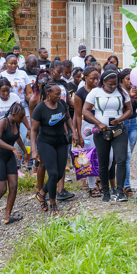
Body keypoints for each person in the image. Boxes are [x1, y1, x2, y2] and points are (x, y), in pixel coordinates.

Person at [83, 69, 132, 202]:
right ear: (103, 81)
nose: (113, 87)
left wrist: (120, 119)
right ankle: (105, 192)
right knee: (103, 163)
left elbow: (129, 109)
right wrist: (98, 123)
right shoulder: (95, 92)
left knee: (121, 160)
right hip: (101, 131)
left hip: (119, 130)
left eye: (115, 84)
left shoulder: (122, 91)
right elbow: (85, 110)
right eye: (110, 84)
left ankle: (120, 191)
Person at [32, 82, 80, 215]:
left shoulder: (62, 104)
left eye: (61, 93)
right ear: (48, 94)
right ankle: (53, 202)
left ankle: (41, 193)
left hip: (61, 142)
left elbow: (68, 119)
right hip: (45, 143)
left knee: (59, 174)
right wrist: (34, 150)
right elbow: (34, 130)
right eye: (57, 94)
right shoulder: (40, 108)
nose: (60, 96)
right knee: (53, 173)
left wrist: (74, 132)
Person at [0, 102, 28, 225]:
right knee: (2, 188)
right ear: (13, 114)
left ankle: (7, 216)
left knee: (13, 186)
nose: (22, 119)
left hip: (9, 158)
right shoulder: (3, 122)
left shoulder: (16, 123)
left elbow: (17, 137)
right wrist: (13, 149)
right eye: (21, 117)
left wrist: (25, 151)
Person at [0, 78, 29, 187]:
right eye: (3, 91)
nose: (5, 93)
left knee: (18, 148)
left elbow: (21, 115)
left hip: (13, 130)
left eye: (7, 90)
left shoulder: (15, 98)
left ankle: (16, 169)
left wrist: (29, 128)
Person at [120, 68, 137, 196]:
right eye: (127, 79)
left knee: (127, 156)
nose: (130, 82)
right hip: (123, 124)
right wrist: (129, 97)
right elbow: (123, 109)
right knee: (127, 155)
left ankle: (123, 180)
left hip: (134, 124)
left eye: (132, 79)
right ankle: (126, 185)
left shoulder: (136, 92)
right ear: (122, 80)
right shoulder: (120, 92)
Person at [74, 67, 101, 196]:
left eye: (98, 78)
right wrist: (78, 134)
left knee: (102, 154)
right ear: (85, 78)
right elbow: (78, 115)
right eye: (93, 78)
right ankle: (92, 186)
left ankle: (101, 180)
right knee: (89, 156)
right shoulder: (80, 93)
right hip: (87, 128)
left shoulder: (101, 90)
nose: (96, 81)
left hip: (101, 125)